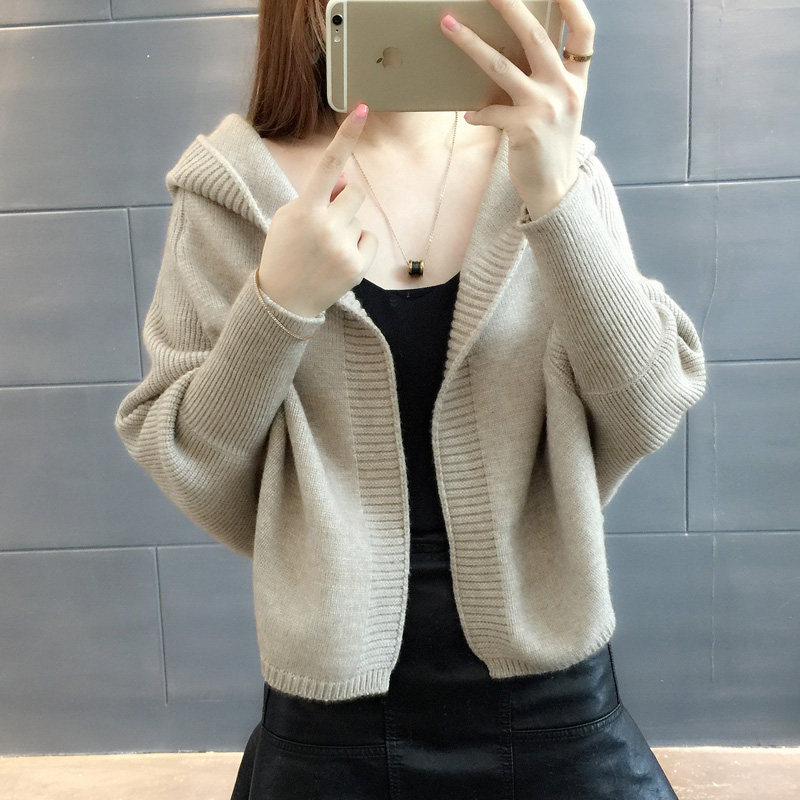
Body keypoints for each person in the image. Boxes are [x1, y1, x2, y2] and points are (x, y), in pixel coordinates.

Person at [115, 1, 706, 797]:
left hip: (552, 696)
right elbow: (191, 461)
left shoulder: (550, 161)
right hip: (331, 721)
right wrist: (277, 304)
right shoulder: (232, 191)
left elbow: (648, 405)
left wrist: (557, 196)